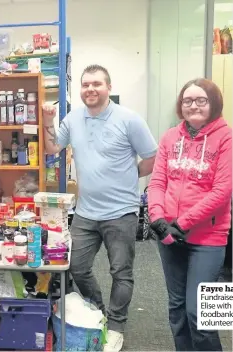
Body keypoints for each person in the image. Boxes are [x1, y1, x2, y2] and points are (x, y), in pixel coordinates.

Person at [42, 64, 157, 351]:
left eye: (96, 84)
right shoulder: (73, 117)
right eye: (85, 84)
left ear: (108, 87)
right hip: (85, 211)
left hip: (121, 212)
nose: (90, 89)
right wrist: (47, 121)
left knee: (121, 271)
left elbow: (153, 157)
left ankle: (116, 325)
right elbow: (52, 149)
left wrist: (131, 175)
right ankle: (98, 310)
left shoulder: (129, 119)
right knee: (76, 267)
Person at [148, 78, 232, 351]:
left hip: (209, 238)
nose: (193, 106)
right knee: (177, 308)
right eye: (187, 101)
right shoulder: (170, 136)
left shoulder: (227, 137)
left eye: (200, 100)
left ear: (213, 103)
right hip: (169, 236)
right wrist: (158, 219)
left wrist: (181, 224)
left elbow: (222, 192)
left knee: (202, 313)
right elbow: (157, 182)